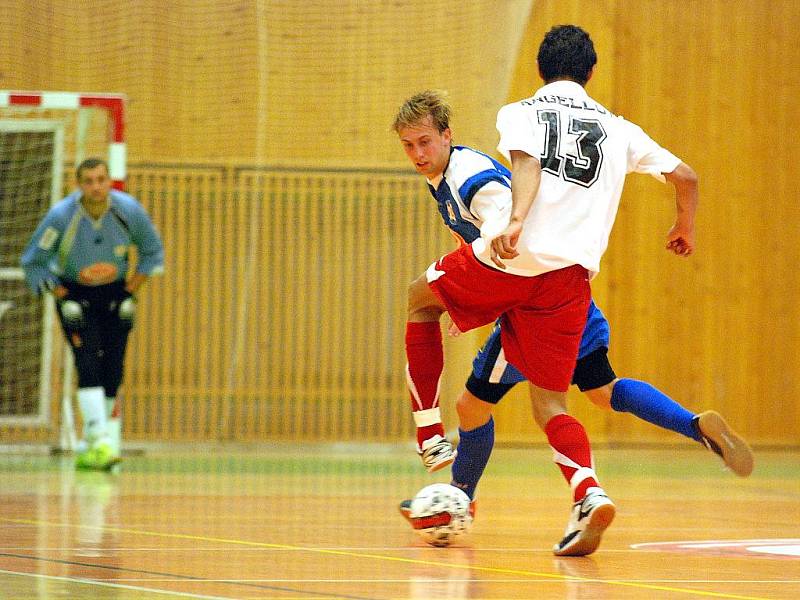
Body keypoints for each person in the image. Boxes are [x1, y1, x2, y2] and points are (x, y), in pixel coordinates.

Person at [394, 24, 706, 556]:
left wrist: (506, 233)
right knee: (574, 398)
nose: (419, 153)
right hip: (572, 283)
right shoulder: (618, 127)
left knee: (459, 374)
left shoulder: (499, 137)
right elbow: (688, 177)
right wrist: (684, 227)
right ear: (590, 71)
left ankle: (440, 458)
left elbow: (517, 177)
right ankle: (600, 485)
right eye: (410, 146)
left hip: (519, 272)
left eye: (425, 142)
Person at [21, 158, 164, 471]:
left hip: (115, 293)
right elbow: (34, 261)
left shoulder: (129, 211)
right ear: (79, 184)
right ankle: (99, 437)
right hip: (75, 293)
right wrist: (62, 295)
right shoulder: (61, 217)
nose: (96, 187)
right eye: (89, 181)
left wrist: (130, 290)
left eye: (101, 179)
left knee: (113, 365)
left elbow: (152, 251)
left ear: (109, 180)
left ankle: (92, 441)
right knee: (87, 360)